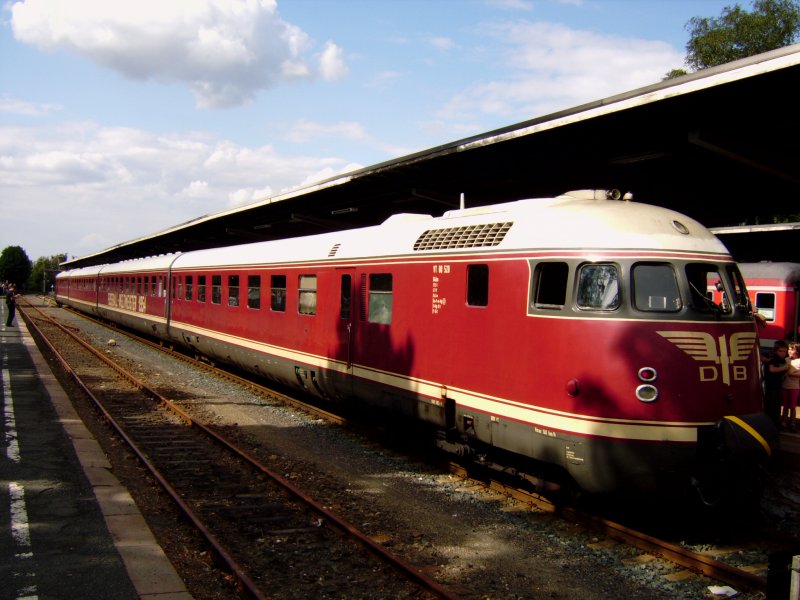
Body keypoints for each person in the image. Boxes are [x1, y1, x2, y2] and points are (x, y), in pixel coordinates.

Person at [764, 340, 790, 426]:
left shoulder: (783, 360)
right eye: (780, 351)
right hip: (771, 386)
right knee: (770, 405)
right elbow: (772, 369)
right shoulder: (774, 359)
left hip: (778, 385)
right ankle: (769, 423)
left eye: (784, 351)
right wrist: (785, 368)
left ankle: (775, 422)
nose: (782, 353)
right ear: (775, 351)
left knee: (777, 405)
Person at [780, 343, 800, 432]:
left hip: (794, 387)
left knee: (792, 406)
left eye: (792, 349)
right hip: (785, 386)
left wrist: (791, 374)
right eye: (789, 349)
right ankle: (783, 421)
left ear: (798, 351)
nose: (790, 351)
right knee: (785, 406)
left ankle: (793, 423)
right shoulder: (786, 359)